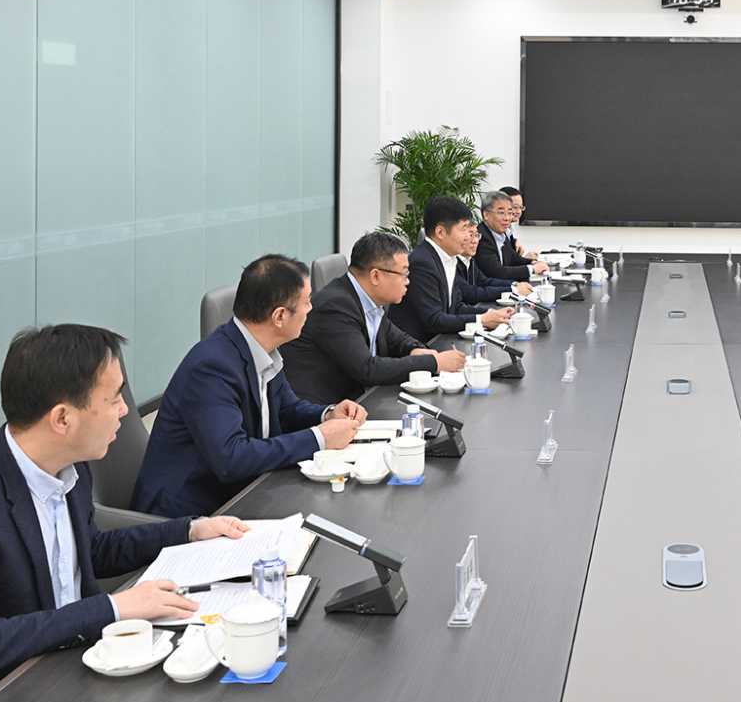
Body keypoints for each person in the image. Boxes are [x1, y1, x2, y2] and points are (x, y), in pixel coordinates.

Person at [0, 325, 246, 702]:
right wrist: (111, 608)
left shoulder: (68, 467)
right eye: (113, 398)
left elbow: (89, 551)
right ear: (62, 418)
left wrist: (189, 532)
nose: (125, 410)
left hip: (58, 675)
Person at [133, 255, 367, 517]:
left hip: (244, 492)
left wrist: (328, 414)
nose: (311, 309)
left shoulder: (263, 349)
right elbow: (231, 458)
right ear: (279, 316)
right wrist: (319, 438)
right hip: (189, 514)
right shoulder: (211, 367)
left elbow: (287, 409)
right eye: (306, 302)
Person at [281, 231, 467, 405]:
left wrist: (414, 350)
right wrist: (434, 363)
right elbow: (367, 369)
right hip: (324, 411)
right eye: (404, 274)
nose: (408, 281)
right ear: (376, 276)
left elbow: (396, 338)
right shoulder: (335, 306)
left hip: (360, 401)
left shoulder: (368, 299)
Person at [392, 196, 515, 340]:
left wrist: (492, 314)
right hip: (422, 346)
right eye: (464, 229)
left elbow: (456, 307)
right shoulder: (422, 262)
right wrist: (481, 319)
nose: (469, 237)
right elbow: (434, 320)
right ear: (440, 232)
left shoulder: (448, 257)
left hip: (441, 339)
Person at [476, 191, 547, 282]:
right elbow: (496, 272)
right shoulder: (481, 237)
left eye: (510, 213)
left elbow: (513, 258)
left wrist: (532, 262)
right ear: (486, 214)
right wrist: (531, 269)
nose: (507, 218)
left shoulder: (501, 234)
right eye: (501, 213)